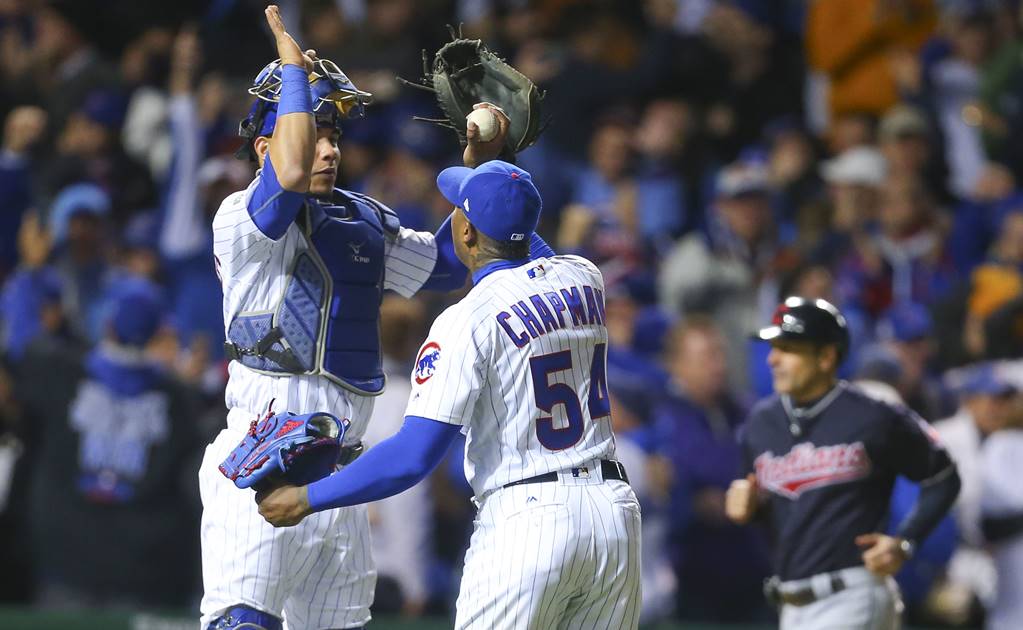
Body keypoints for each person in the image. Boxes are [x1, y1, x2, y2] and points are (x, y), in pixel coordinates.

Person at [198, 6, 550, 629]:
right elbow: (284, 179)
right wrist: (291, 69)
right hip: (262, 452)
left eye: (335, 135)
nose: (328, 148)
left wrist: (475, 171)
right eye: (314, 131)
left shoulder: (361, 217)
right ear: (264, 143)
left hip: (342, 468)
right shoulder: (240, 217)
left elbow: (447, 264)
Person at [255, 159, 642, 630]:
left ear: (467, 235)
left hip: (531, 519)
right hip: (614, 514)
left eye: (458, 210)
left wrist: (306, 498)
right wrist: (500, 167)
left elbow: (411, 458)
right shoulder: (584, 277)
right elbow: (525, 239)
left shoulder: (465, 321)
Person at [725, 296, 961, 630]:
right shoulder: (760, 424)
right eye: (774, 347)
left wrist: (906, 542)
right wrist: (752, 507)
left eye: (789, 348)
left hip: (853, 592)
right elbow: (785, 510)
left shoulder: (874, 415)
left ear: (826, 356)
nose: (774, 359)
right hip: (791, 603)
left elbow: (944, 476)